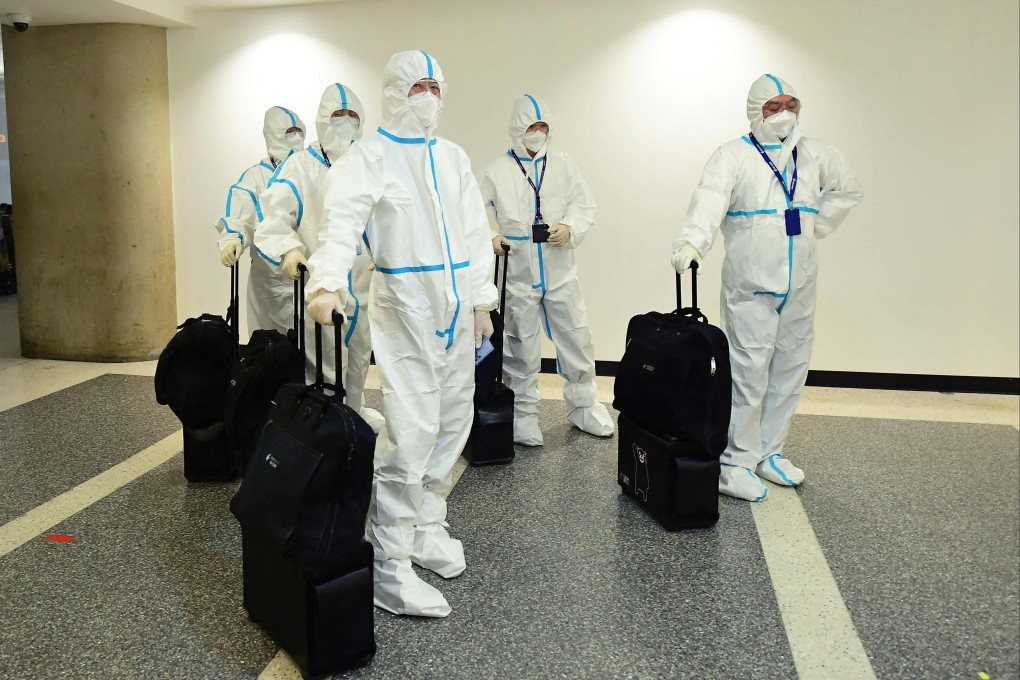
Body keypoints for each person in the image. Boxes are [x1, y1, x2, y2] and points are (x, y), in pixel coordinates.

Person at [305, 51, 498, 618]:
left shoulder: (453, 157)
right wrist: (327, 282)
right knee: (412, 432)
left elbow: (474, 234)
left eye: (436, 87)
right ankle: (389, 563)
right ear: (394, 93)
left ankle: (427, 524)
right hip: (405, 306)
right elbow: (340, 225)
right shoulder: (368, 157)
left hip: (456, 309)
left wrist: (482, 301)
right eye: (418, 86)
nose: (429, 97)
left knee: (453, 419)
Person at [672, 74, 863, 501]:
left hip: (801, 283)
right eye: (773, 107)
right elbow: (709, 199)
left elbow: (848, 190)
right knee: (747, 373)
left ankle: (769, 451)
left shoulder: (815, 153)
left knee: (790, 368)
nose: (783, 114)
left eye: (790, 105)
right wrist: (692, 242)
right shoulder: (733, 155)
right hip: (751, 285)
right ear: (755, 111)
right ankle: (735, 462)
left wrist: (817, 225)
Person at [478, 94, 614, 446]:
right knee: (520, 347)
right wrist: (491, 236)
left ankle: (583, 405)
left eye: (543, 126)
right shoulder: (496, 170)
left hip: (560, 273)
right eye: (531, 126)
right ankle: (523, 414)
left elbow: (584, 204)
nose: (538, 132)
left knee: (576, 338)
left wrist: (570, 227)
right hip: (518, 277)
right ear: (517, 128)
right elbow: (471, 212)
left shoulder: (564, 164)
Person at [253, 84, 383, 432]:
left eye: (352, 116)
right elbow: (272, 217)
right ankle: (325, 425)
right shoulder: (300, 166)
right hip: (323, 282)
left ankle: (352, 416)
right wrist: (289, 249)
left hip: (366, 282)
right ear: (323, 119)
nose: (345, 122)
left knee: (359, 355)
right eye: (337, 115)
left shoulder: (370, 161)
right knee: (323, 360)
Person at [216, 106, 306, 335]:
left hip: (306, 270)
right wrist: (233, 239)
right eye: (288, 132)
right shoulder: (256, 176)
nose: (295, 137)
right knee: (267, 344)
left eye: (298, 131)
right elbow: (240, 215)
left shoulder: (310, 169)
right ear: (272, 135)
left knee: (313, 344)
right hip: (269, 279)